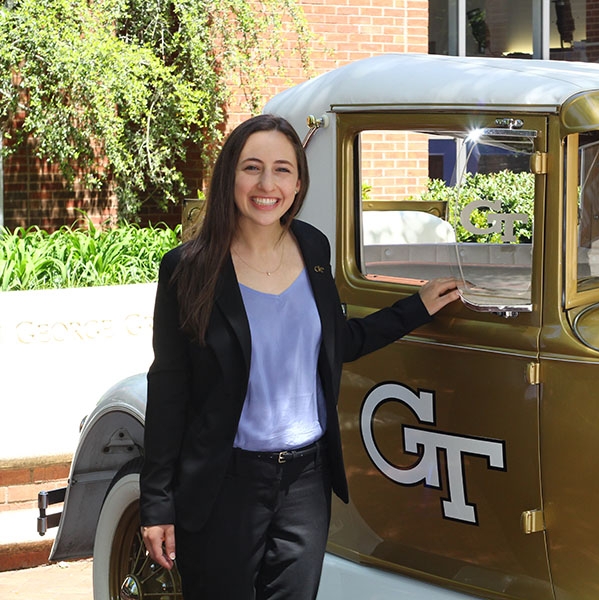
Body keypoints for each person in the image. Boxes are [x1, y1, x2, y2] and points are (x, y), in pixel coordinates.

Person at [139, 114, 460, 599]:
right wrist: (157, 505)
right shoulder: (187, 270)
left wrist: (414, 309)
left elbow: (337, 342)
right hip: (224, 483)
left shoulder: (312, 246)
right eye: (252, 168)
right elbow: (168, 390)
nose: (267, 184)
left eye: (282, 169)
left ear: (299, 182)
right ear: (229, 176)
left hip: (305, 485)